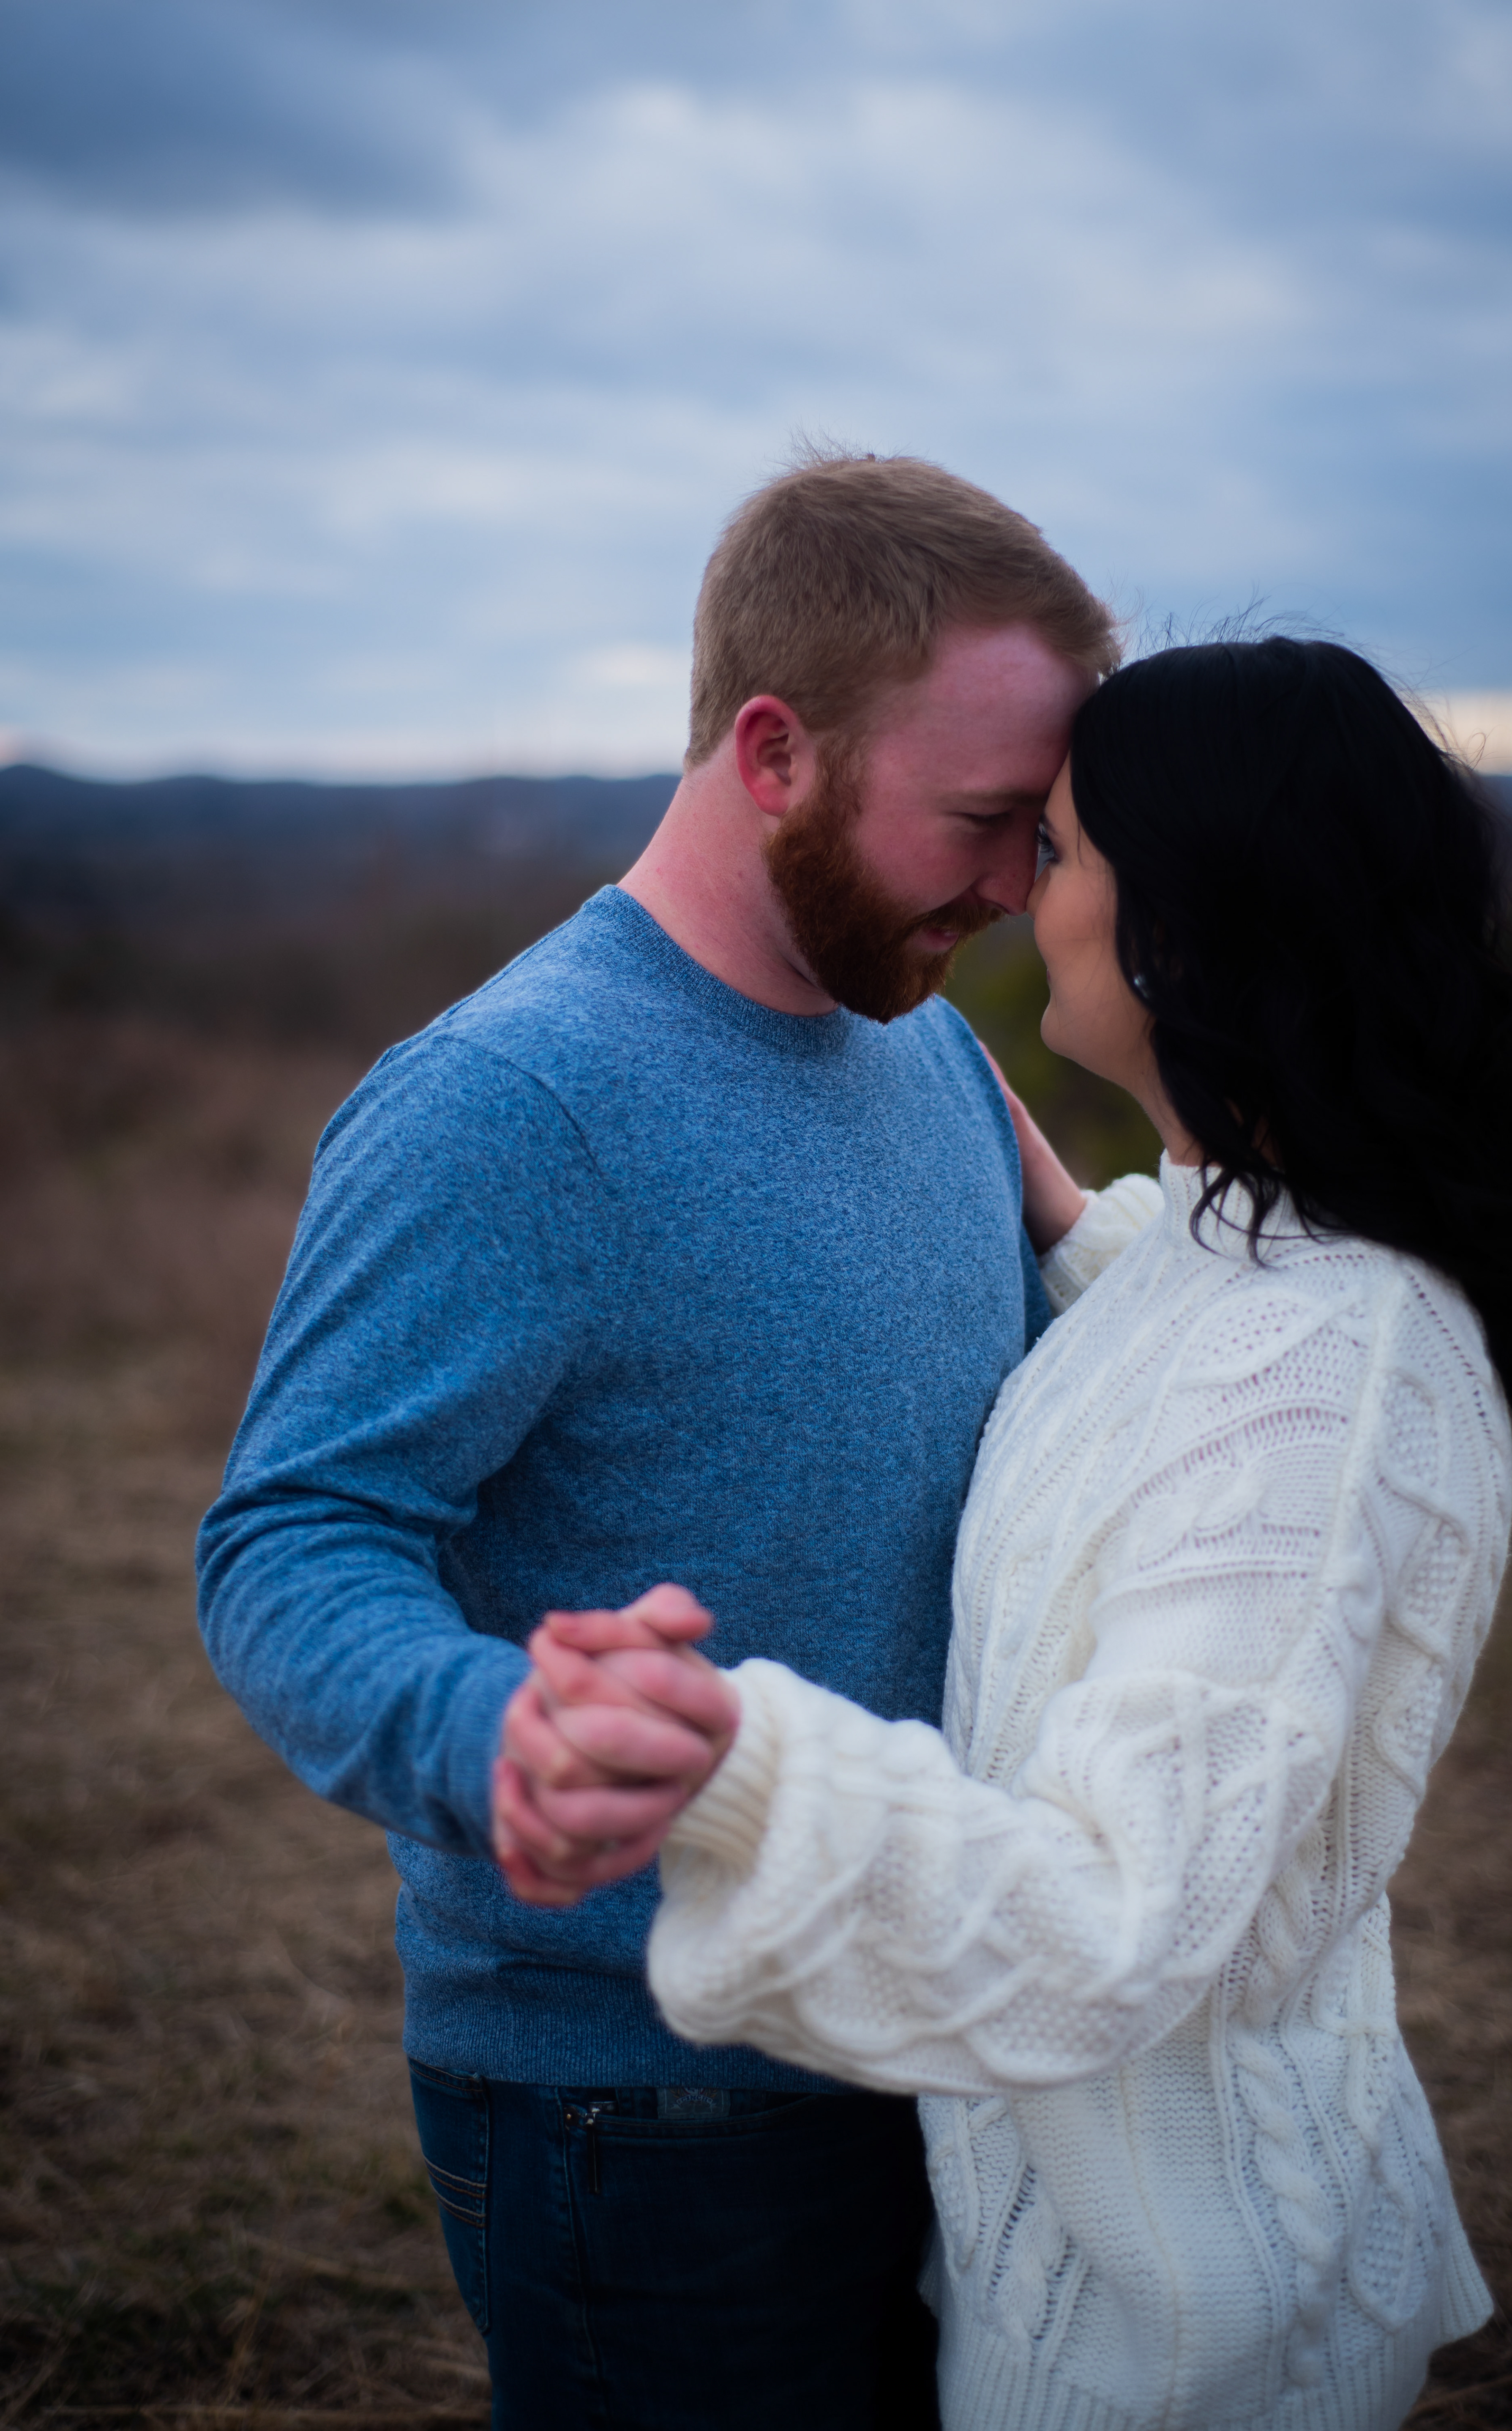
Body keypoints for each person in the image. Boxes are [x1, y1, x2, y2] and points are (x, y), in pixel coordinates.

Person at [495, 638, 1512, 2431]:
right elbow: (1181, 1392)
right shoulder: (1232, 1257)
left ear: (1188, 925)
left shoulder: (1331, 1370)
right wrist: (1050, 1203)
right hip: (1082, 2272)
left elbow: (1118, 1910)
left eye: (1065, 850)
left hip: (1186, 2337)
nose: (1022, 891)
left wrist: (737, 1765)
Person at [196, 447, 1118, 2428]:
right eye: (981, 822)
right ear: (773, 751)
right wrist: (493, 1727)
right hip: (652, 2104)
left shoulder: (930, 1047)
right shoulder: (507, 1101)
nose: (1011, 891)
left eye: (1041, 836)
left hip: (943, 2029)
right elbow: (290, 1537)